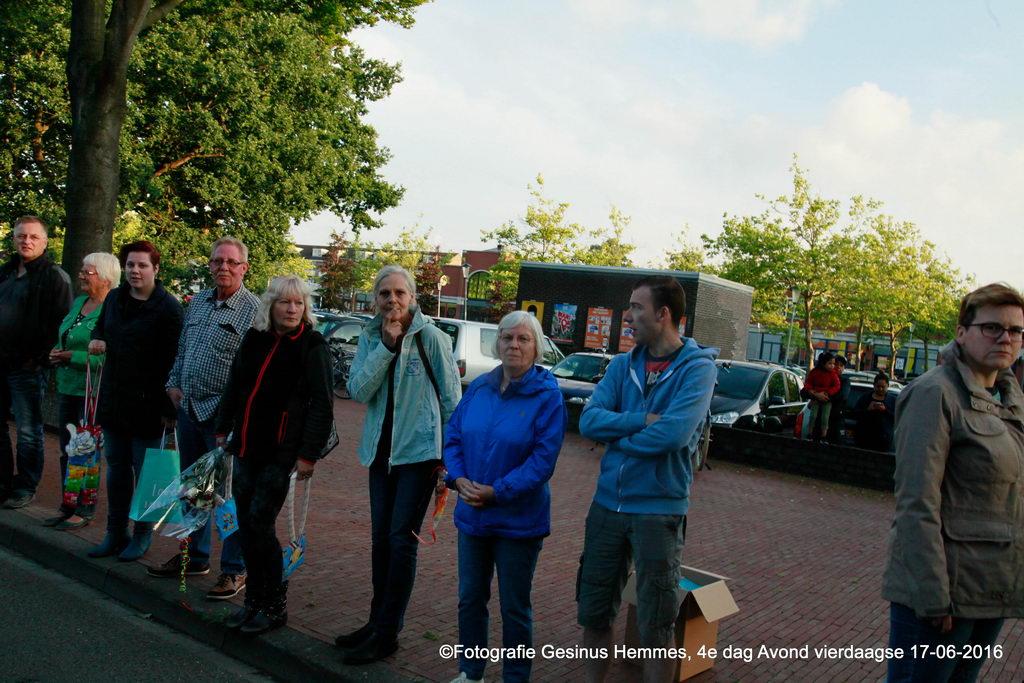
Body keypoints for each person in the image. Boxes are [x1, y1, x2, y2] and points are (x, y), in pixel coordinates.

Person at [576, 276, 717, 683]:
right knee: (594, 613)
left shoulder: (698, 369)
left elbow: (673, 435)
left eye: (637, 307)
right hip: (607, 506)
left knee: (657, 626)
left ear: (663, 314)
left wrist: (616, 438)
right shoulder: (622, 365)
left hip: (658, 511)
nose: (628, 316)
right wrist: (640, 420)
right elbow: (588, 420)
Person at [883, 283, 1024, 682]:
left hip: (990, 589)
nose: (1006, 338)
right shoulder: (935, 394)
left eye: (1015, 330)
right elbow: (917, 502)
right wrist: (932, 594)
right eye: (992, 327)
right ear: (962, 332)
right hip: (943, 596)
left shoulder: (1010, 400)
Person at [337, 265, 461, 665]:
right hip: (380, 454)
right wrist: (387, 348)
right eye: (384, 293)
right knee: (380, 541)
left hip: (419, 456)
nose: (392, 300)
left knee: (400, 541)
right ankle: (376, 622)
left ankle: (388, 633)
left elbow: (452, 400)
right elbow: (358, 390)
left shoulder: (432, 338)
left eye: (399, 293)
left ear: (412, 298)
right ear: (376, 298)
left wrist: (451, 458)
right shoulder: (371, 336)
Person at [444, 310, 567, 683]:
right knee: (470, 599)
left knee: (514, 607)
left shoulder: (548, 397)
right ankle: (471, 672)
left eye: (523, 339)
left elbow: (542, 462)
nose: (514, 345)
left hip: (518, 521)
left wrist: (498, 492)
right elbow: (453, 436)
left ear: (536, 347)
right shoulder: (479, 388)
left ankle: (515, 677)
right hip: (473, 516)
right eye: (507, 337)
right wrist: (458, 478)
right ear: (497, 343)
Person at [215, 275, 333, 635]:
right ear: (271, 305)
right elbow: (235, 384)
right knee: (245, 525)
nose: (292, 309)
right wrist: (222, 427)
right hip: (245, 446)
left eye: (298, 303)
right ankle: (253, 601)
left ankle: (274, 604)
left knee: (260, 525)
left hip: (280, 453)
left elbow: (322, 404)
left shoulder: (312, 345)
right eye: (285, 302)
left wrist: (308, 454)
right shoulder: (255, 338)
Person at [148, 237, 259, 600]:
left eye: (231, 262)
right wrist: (172, 383)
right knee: (194, 490)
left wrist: (236, 416)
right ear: (210, 265)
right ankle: (194, 557)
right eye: (217, 261)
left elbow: (252, 373)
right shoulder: (198, 303)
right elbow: (183, 349)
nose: (223, 267)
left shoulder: (254, 312)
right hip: (190, 410)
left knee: (228, 496)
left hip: (225, 419)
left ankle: (234, 568)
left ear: (244, 268)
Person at [87, 240, 183, 561]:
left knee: (146, 475)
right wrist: (97, 340)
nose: (135, 271)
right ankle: (115, 532)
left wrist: (169, 408)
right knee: (116, 469)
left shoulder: (169, 309)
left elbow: (175, 360)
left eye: (142, 265)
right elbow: (100, 329)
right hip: (114, 400)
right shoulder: (115, 298)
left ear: (156, 269)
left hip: (149, 407)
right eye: (130, 265)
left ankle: (142, 535)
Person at [0, 216, 73, 508]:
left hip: (28, 368)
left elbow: (62, 323)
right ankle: (3, 481)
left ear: (45, 242)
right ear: (14, 239)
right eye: (21, 236)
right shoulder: (5, 273)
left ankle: (25, 486)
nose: (26, 241)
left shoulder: (55, 277)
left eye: (33, 237)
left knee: (28, 430)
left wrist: (40, 360)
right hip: (1, 363)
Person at [44, 252, 120, 528]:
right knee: (68, 448)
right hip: (68, 387)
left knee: (86, 452)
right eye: (82, 270)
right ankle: (68, 502)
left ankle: (84, 508)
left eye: (87, 272)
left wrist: (71, 357)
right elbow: (66, 335)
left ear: (106, 278)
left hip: (92, 393)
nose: (81, 275)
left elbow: (109, 357)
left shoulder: (112, 310)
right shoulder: (79, 303)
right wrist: (57, 351)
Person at [853, 372, 896, 452]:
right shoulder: (865, 398)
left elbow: (897, 418)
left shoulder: (892, 400)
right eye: (878, 386)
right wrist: (868, 409)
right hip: (864, 438)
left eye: (883, 387)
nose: (880, 389)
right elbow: (855, 414)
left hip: (884, 440)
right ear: (874, 385)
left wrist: (885, 410)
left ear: (887, 386)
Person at [802, 352, 840, 441]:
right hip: (815, 398)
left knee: (825, 417)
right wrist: (812, 391)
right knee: (813, 416)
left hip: (827, 399)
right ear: (823, 363)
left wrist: (828, 393)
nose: (832, 366)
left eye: (833, 364)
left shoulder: (833, 374)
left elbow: (837, 386)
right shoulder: (814, 372)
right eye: (830, 363)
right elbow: (808, 383)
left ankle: (824, 436)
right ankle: (810, 433)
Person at [826, 355, 852, 443]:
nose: (838, 367)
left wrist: (824, 396)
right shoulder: (824, 378)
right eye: (836, 364)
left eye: (841, 365)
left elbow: (842, 396)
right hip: (822, 418)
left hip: (836, 419)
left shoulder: (845, 381)